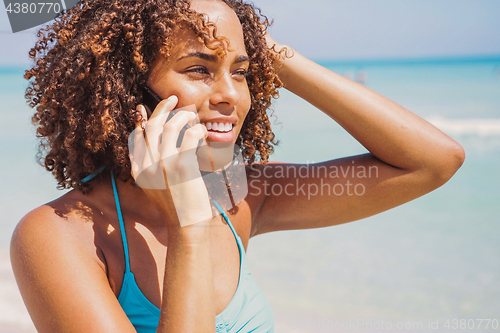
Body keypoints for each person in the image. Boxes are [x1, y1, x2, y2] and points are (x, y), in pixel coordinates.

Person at [10, 0, 465, 332]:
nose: (231, 95)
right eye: (198, 70)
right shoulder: (57, 235)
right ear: (126, 89)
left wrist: (271, 53)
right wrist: (187, 225)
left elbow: (432, 162)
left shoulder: (239, 194)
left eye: (242, 71)